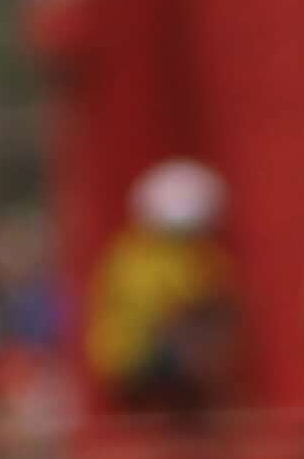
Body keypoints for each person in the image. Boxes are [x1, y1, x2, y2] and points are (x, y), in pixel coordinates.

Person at [83, 160, 240, 426]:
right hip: (144, 361)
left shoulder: (123, 252)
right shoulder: (183, 259)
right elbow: (186, 317)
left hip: (119, 361)